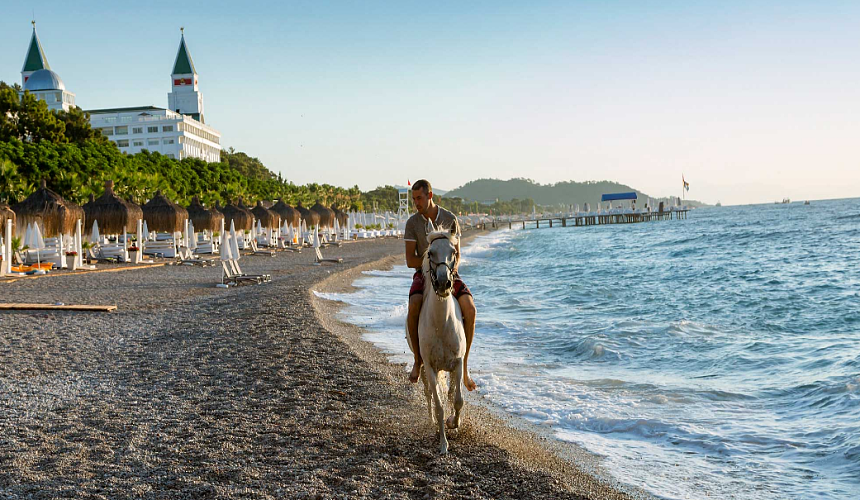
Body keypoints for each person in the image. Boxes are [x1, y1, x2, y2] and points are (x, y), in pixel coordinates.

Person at [404, 179, 477, 391]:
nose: (416, 203)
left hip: (449, 272)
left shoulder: (450, 219)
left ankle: (465, 365)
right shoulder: (412, 224)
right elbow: (410, 260)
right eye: (414, 199)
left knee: (470, 309)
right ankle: (418, 360)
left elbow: (458, 254)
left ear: (430, 195)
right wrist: (431, 264)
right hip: (424, 274)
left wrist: (449, 268)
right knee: (414, 305)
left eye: (419, 198)